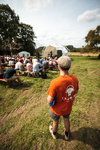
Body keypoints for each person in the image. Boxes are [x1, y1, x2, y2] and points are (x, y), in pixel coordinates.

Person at [47, 56, 79, 140]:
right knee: (66, 119)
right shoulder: (75, 79)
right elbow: (76, 92)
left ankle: (54, 133)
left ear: (59, 66)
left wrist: (48, 99)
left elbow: (49, 100)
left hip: (56, 109)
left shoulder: (55, 82)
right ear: (69, 66)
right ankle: (67, 134)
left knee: (55, 121)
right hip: (67, 107)